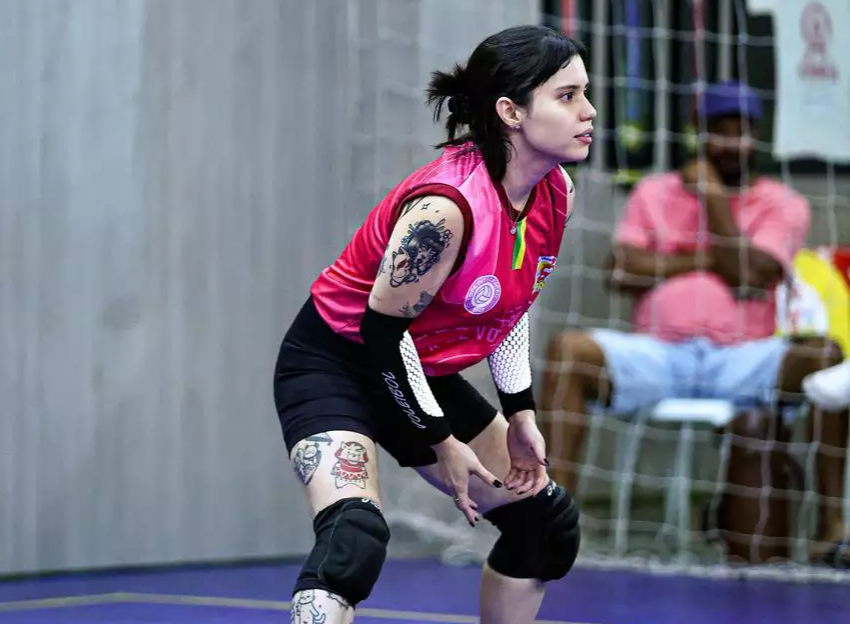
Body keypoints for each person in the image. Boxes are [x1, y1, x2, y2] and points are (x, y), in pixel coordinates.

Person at [274, 25, 596, 624]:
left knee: (544, 525)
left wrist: (520, 412)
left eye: (585, 93)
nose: (589, 111)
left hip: (415, 369)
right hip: (336, 364)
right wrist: (442, 441)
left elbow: (509, 305)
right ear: (511, 112)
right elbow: (381, 334)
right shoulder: (444, 211)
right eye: (567, 96)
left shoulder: (556, 193)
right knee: (353, 541)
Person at [542, 80, 849, 566]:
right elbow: (620, 271)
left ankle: (833, 526)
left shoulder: (783, 202)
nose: (730, 142)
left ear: (755, 135)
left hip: (744, 357)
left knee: (826, 357)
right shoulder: (654, 191)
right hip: (659, 354)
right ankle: (551, 526)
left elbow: (753, 273)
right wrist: (712, 259)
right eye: (718, 130)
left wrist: (710, 196)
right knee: (569, 351)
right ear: (698, 133)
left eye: (740, 131)